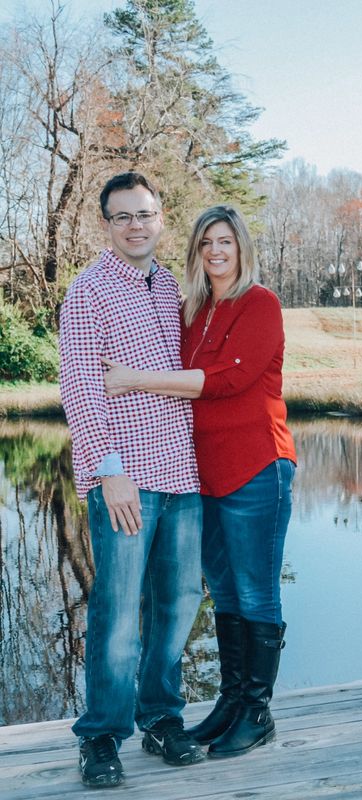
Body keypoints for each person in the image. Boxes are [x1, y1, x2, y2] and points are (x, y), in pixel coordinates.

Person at [103, 204, 297, 759]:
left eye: (225, 242)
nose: (215, 251)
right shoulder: (195, 309)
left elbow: (227, 380)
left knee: (257, 588)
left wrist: (136, 378)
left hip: (259, 466)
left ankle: (257, 713)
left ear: (241, 249)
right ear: (196, 251)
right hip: (204, 475)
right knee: (228, 590)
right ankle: (232, 703)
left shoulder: (260, 305)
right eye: (206, 242)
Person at [59, 172, 204, 788]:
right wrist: (108, 473)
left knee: (176, 605)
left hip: (182, 474)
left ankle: (162, 719)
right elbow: (80, 388)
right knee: (118, 614)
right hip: (126, 478)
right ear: (106, 224)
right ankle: (101, 738)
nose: (135, 225)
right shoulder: (88, 291)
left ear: (161, 217)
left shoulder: (170, 284)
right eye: (123, 216)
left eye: (144, 214)